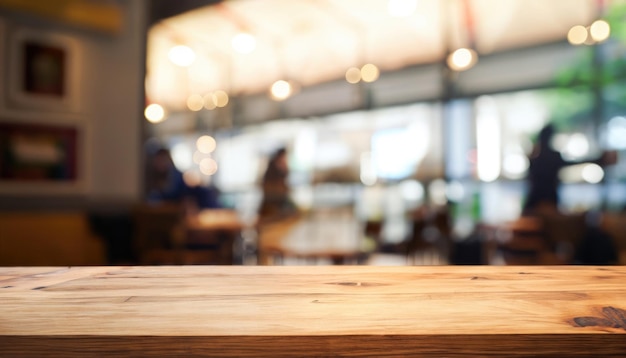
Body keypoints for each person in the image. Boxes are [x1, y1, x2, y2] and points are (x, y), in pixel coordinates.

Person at [523, 124, 614, 215]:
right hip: (549, 198)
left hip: (537, 199)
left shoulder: (535, 158)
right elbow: (574, 162)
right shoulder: (551, 157)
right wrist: (599, 160)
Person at [258, 147, 297, 222]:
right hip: (272, 204)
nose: (286, 159)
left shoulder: (279, 166)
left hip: (277, 202)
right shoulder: (273, 168)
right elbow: (271, 187)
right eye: (284, 157)